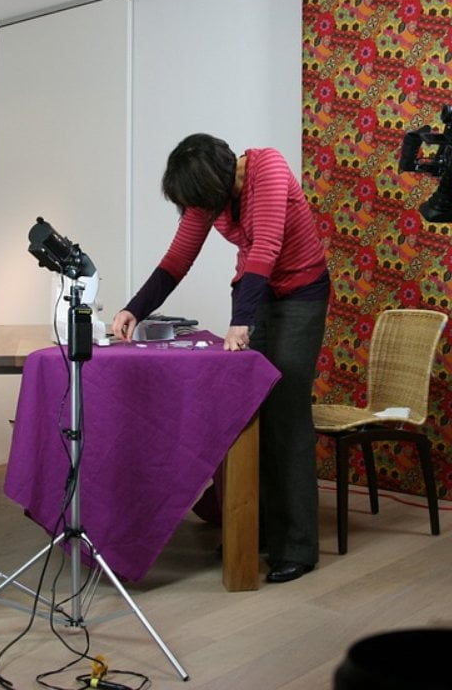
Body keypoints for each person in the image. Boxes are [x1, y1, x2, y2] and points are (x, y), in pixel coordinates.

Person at [111, 133, 330, 583]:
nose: (198, 211)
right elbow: (178, 258)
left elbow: (266, 248)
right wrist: (134, 309)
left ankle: (297, 546)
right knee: (250, 410)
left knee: (286, 413)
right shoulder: (209, 195)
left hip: (300, 293)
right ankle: (256, 531)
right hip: (254, 290)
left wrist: (241, 321)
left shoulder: (268, 169)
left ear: (214, 181)